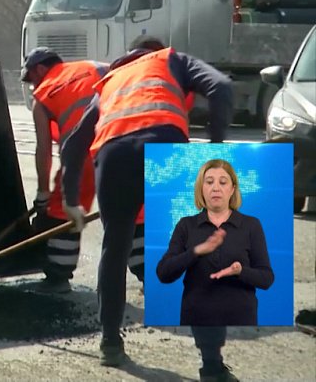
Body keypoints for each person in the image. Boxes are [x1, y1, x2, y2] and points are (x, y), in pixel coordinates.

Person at [59, 35, 233, 367]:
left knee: (115, 247)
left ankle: (110, 343)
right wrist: (215, 151)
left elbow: (72, 144)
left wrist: (71, 200)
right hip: (164, 145)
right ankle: (212, 363)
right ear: (155, 52)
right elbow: (221, 87)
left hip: (113, 156)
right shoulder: (171, 60)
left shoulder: (110, 80)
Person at [21, 47, 146, 293]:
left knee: (63, 208)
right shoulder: (97, 65)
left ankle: (57, 277)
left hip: (89, 150)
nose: (33, 86)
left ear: (40, 69)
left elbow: (43, 150)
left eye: (31, 79)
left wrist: (43, 194)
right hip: (134, 136)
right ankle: (153, 279)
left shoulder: (44, 94)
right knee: (136, 212)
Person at [156, 159, 273, 382]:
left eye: (222, 182)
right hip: (198, 313)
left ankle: (215, 367)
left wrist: (240, 271)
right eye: (209, 182)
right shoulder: (186, 226)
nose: (216, 187)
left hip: (241, 315)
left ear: (233, 189)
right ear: (201, 189)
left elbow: (267, 278)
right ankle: (211, 366)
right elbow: (163, 273)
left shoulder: (251, 225)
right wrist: (197, 251)